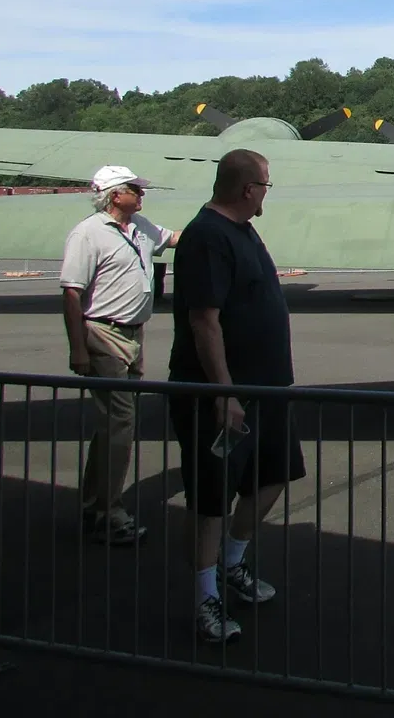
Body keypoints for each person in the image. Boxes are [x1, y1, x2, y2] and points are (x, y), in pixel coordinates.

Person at [167, 148, 303, 643]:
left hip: (266, 389)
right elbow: (204, 320)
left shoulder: (243, 231)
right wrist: (223, 393)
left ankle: (232, 563)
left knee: (272, 478)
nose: (267, 192)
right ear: (248, 190)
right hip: (222, 395)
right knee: (210, 500)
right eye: (265, 185)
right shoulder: (206, 237)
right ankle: (205, 598)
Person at [60, 165, 181, 545]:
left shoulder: (141, 227)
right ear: (115, 195)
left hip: (132, 335)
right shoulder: (88, 233)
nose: (141, 195)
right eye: (135, 190)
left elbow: (174, 238)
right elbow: (71, 293)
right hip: (102, 334)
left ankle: (95, 505)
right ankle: (107, 513)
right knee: (120, 423)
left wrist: (215, 220)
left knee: (112, 427)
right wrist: (78, 347)